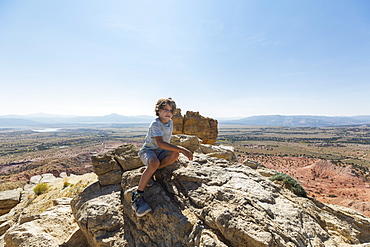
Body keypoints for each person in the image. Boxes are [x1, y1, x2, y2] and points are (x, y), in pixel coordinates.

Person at [131, 98, 193, 217]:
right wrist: (182, 148)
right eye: (165, 109)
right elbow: (160, 143)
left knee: (175, 155)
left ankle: (150, 173)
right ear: (158, 110)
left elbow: (167, 142)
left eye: (171, 110)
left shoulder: (170, 122)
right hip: (149, 151)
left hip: (160, 151)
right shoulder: (155, 124)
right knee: (154, 163)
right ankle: (137, 196)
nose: (168, 112)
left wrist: (173, 154)